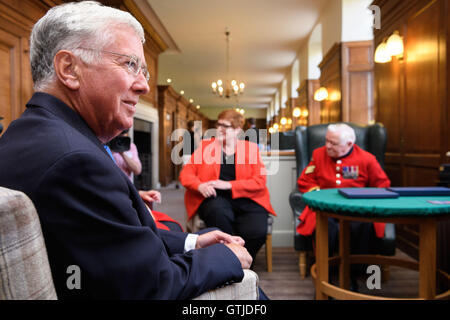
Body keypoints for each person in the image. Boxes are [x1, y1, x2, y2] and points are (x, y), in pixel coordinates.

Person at [0, 1, 252, 299]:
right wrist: (229, 258)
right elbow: (151, 286)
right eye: (130, 64)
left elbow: (110, 241)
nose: (144, 85)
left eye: (143, 70)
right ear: (69, 69)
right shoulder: (76, 162)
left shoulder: (26, 133)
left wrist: (191, 243)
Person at [179, 109, 276, 262]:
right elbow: (186, 174)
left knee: (256, 231)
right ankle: (230, 261)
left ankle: (242, 262)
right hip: (215, 198)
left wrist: (229, 185)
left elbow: (259, 181)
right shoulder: (206, 147)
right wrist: (200, 186)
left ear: (237, 130)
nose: (219, 129)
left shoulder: (250, 149)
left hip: (248, 198)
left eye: (225, 126)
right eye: (218, 124)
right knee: (219, 217)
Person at [296, 123, 391, 256]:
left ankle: (358, 266)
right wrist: (318, 193)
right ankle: (325, 268)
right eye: (326, 140)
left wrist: (368, 200)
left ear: (349, 144)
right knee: (324, 227)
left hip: (357, 209)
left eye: (333, 143)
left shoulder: (367, 159)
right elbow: (305, 180)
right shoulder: (318, 155)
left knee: (363, 225)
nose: (328, 146)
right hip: (325, 209)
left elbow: (382, 184)